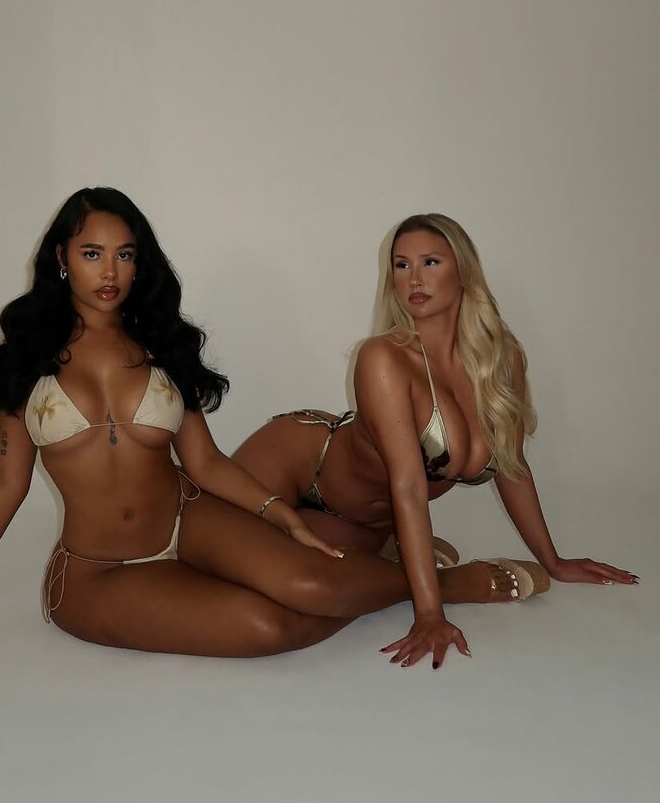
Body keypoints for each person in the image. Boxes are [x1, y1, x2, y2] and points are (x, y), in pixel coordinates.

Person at [0, 192, 525, 663]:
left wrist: (282, 516)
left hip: (191, 516)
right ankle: (436, 582)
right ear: (62, 259)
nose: (109, 272)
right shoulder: (26, 361)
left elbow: (206, 463)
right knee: (270, 627)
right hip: (99, 572)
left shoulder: (162, 345)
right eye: (91, 254)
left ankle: (419, 583)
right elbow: (5, 486)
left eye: (124, 255)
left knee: (310, 583)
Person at [234, 213, 637, 667]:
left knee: (312, 610)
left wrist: (554, 561)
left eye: (430, 262)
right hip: (292, 471)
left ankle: (396, 553)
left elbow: (512, 467)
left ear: (463, 270)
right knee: (235, 580)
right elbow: (408, 485)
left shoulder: (503, 361)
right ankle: (450, 581)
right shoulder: (383, 357)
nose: (414, 279)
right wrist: (429, 614)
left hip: (362, 523)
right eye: (401, 265)